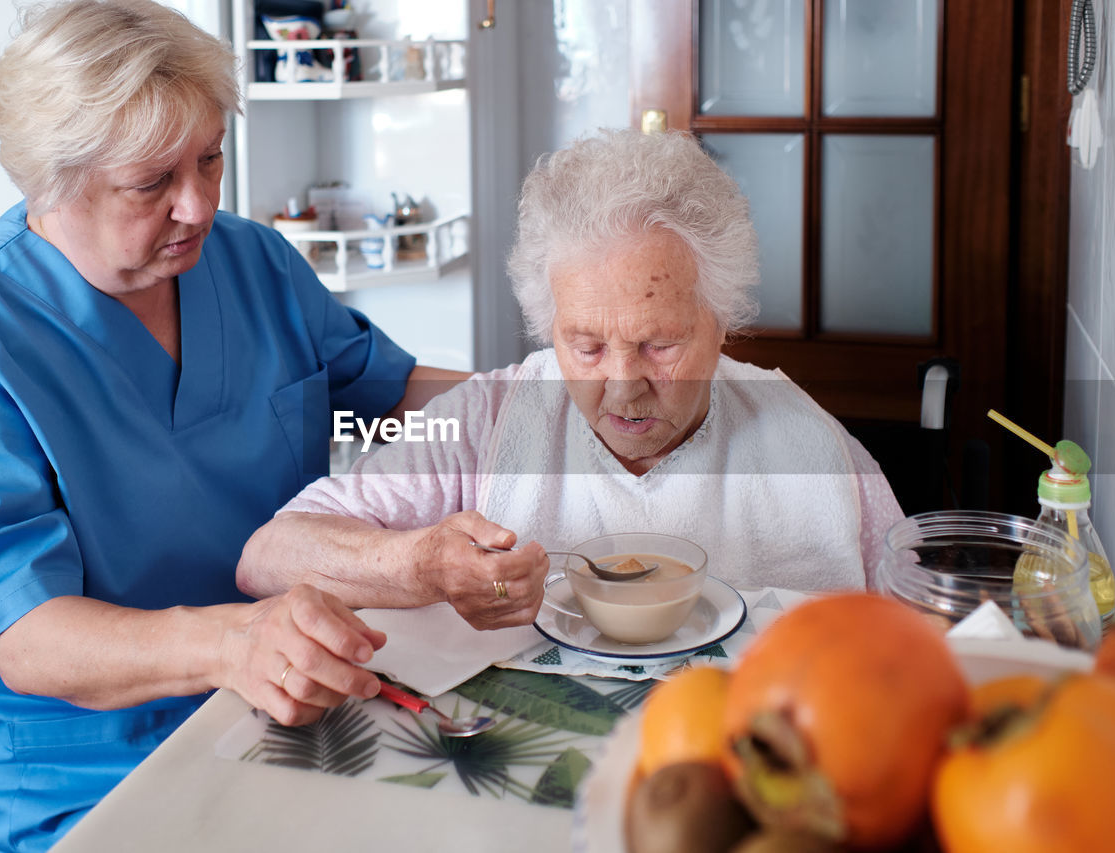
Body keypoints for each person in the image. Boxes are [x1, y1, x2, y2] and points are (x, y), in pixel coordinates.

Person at [0, 2, 465, 850]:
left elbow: (387, 398)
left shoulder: (251, 264)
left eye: (211, 159)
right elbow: (31, 642)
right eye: (152, 184)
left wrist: (552, 399)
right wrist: (234, 642)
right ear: (49, 182)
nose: (198, 206)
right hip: (57, 756)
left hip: (256, 691)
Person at [237, 128, 904, 616]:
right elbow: (268, 554)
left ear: (720, 321)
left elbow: (925, 638)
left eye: (659, 345)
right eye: (584, 345)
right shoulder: (487, 423)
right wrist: (421, 564)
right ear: (545, 321)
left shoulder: (815, 452)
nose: (621, 385)